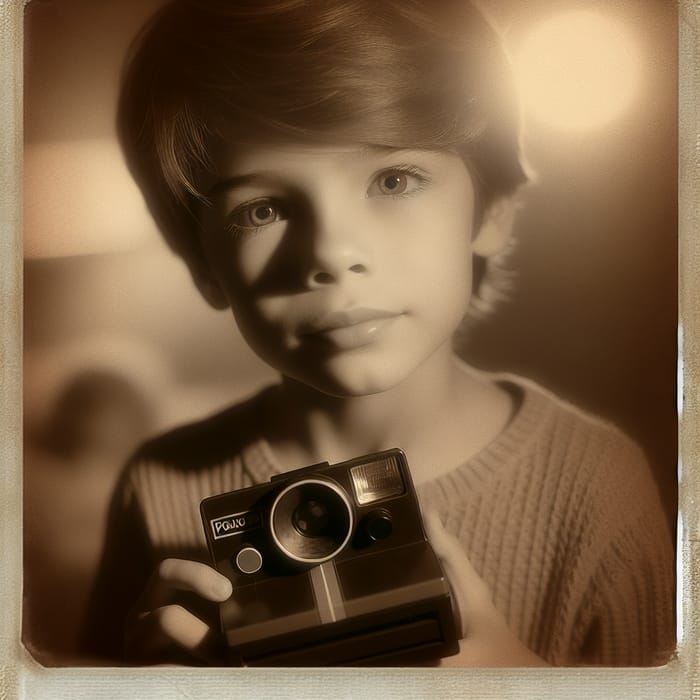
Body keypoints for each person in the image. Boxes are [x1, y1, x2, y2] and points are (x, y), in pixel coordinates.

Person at [81, 0, 675, 667]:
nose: (331, 252)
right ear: (203, 265)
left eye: (394, 179)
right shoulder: (158, 487)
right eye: (263, 208)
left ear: (493, 210)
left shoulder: (593, 490)